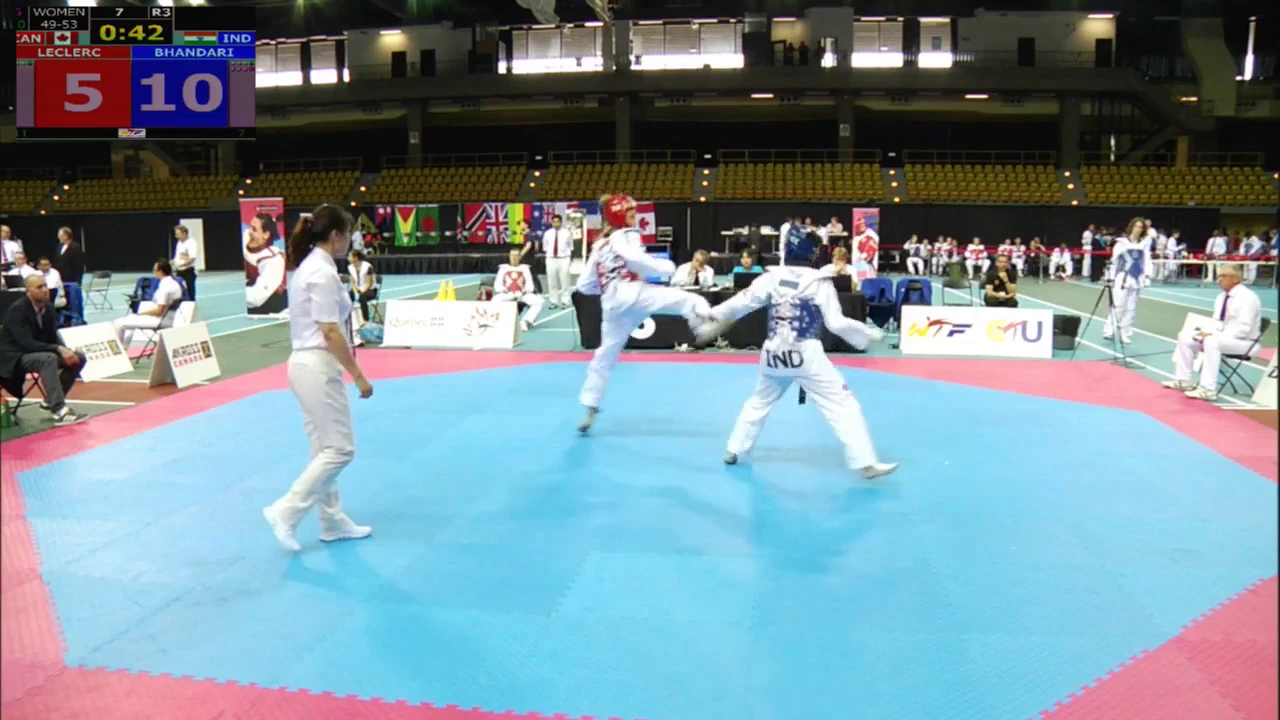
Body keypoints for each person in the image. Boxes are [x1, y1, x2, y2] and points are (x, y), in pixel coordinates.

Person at [705, 264, 897, 480]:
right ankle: (865, 462)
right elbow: (836, 323)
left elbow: (742, 301)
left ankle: (734, 449)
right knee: (842, 404)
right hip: (806, 354)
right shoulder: (819, 282)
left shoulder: (772, 277)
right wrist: (866, 333)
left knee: (759, 402)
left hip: (774, 353)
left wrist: (712, 313)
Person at [263, 204, 373, 552]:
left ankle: (331, 520)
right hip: (316, 364)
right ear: (336, 235)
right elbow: (329, 331)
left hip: (305, 364)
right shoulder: (321, 273)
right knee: (340, 449)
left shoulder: (312, 267)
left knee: (323, 448)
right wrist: (358, 375)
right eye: (348, 233)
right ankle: (286, 510)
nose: (350, 240)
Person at [574, 194, 725, 434]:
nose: (635, 219)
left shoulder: (599, 245)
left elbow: (584, 285)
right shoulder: (626, 235)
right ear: (620, 217)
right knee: (686, 299)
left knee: (604, 356)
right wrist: (666, 268)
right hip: (632, 293)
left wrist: (605, 286)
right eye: (631, 215)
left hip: (613, 305)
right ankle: (702, 327)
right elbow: (635, 260)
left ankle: (590, 407)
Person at [1166, 264, 1262, 401]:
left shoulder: (1248, 298)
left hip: (1246, 342)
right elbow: (1217, 322)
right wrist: (1205, 332)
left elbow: (1244, 329)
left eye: (1224, 276)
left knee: (1212, 342)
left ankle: (1208, 389)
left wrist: (1214, 335)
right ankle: (1183, 380)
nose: (1220, 280)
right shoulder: (1221, 297)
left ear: (1236, 279)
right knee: (1186, 337)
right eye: (1219, 276)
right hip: (1224, 339)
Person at [0, 275, 86, 425]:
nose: (45, 290)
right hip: (14, 357)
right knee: (48, 359)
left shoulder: (49, 309)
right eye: (39, 287)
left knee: (78, 358)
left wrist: (66, 351)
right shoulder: (18, 310)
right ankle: (59, 410)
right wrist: (58, 349)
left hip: (34, 352)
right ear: (28, 291)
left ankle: (49, 401)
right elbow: (26, 344)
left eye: (45, 286)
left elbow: (52, 338)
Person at [1102, 217, 1152, 345]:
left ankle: (1124, 332)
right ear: (1131, 227)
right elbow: (1114, 261)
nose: (1138, 229)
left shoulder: (1144, 244)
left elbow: (1147, 261)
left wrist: (1147, 276)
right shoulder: (1122, 243)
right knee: (1119, 306)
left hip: (1137, 279)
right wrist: (1110, 278)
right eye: (1136, 226)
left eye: (1140, 227)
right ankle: (1109, 330)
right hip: (1122, 278)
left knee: (1131, 308)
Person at [113, 260, 185, 347]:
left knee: (118, 323)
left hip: (159, 320)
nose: (153, 272)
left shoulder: (165, 287)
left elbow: (159, 311)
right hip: (168, 317)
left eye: (154, 270)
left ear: (161, 271)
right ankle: (125, 347)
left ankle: (118, 350)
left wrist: (141, 314)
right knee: (130, 321)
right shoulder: (174, 283)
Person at [492, 247, 545, 332]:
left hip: (522, 295)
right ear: (509, 257)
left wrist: (522, 292)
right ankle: (500, 321)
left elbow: (530, 285)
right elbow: (497, 285)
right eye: (512, 255)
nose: (514, 258)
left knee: (539, 301)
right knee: (495, 300)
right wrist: (505, 291)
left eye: (516, 256)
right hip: (507, 294)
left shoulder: (525, 268)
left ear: (520, 257)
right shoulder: (503, 268)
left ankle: (526, 321)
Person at [244, 213, 288, 315]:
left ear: (266, 235)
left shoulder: (274, 259)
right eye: (249, 227)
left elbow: (257, 297)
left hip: (271, 310)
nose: (249, 232)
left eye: (254, 229)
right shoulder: (249, 250)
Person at [542, 214, 573, 308]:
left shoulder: (567, 233)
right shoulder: (547, 233)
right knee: (552, 282)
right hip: (551, 259)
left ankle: (565, 301)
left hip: (563, 259)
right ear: (551, 222)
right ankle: (554, 302)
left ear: (561, 222)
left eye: (558, 222)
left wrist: (568, 258)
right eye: (554, 222)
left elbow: (570, 246)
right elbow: (545, 246)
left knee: (565, 281)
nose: (556, 224)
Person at [346, 249, 379, 324]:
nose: (348, 258)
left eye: (349, 256)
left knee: (362, 297)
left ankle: (365, 320)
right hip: (358, 289)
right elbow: (353, 283)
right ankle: (348, 317)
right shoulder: (350, 268)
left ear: (356, 257)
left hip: (370, 290)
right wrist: (355, 293)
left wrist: (360, 293)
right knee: (348, 295)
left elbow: (369, 283)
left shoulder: (368, 266)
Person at [172, 224, 199, 300]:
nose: (176, 236)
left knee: (190, 291)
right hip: (179, 271)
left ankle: (192, 303)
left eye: (178, 234)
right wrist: (172, 263)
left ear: (184, 233)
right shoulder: (179, 243)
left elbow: (192, 258)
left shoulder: (191, 243)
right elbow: (177, 257)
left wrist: (181, 265)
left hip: (188, 271)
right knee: (178, 290)